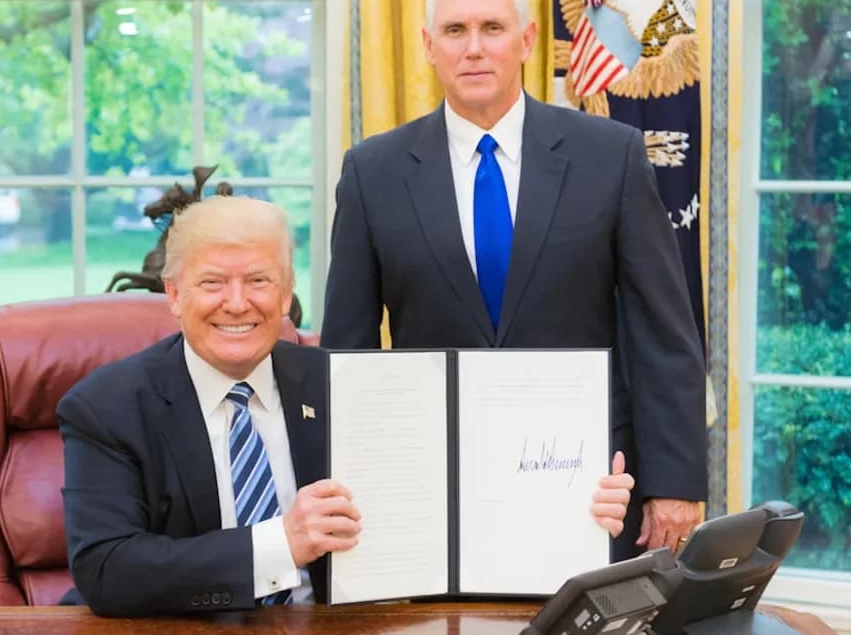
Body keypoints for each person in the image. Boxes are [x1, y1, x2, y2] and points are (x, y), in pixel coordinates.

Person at [58, 195, 637, 616]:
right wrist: (281, 544)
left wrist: (569, 507)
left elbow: (454, 508)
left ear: (286, 295)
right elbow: (109, 571)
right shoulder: (106, 407)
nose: (238, 304)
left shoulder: (353, 384)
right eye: (213, 283)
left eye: (259, 281)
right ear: (174, 295)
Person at [321, 0, 706, 561]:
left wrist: (675, 483)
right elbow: (349, 352)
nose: (473, 49)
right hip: (433, 484)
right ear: (428, 45)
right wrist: (357, 487)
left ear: (526, 40)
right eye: (454, 31)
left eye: (492, 28)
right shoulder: (373, 172)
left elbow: (663, 330)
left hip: (592, 487)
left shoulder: (611, 156)